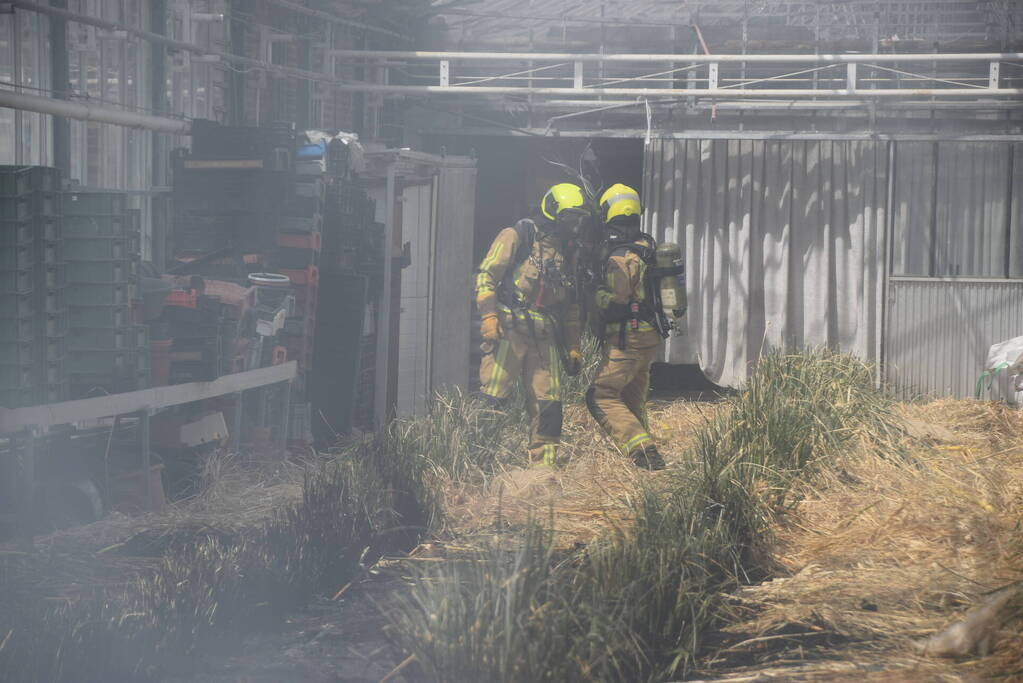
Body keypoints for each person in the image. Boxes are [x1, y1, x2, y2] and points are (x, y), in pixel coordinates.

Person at [475, 183, 587, 467]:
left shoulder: (568, 250)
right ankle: (480, 459)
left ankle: (544, 467)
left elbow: (571, 304)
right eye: (570, 217)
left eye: (577, 218)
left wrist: (573, 345)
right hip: (509, 329)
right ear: (553, 213)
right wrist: (489, 317)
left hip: (546, 334)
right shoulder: (517, 235)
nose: (574, 224)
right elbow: (486, 276)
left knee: (548, 402)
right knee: (495, 394)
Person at [585, 183, 667, 470]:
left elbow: (617, 301)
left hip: (627, 337)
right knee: (632, 395)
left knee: (601, 394)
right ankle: (646, 457)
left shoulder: (621, 257)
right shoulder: (648, 247)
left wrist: (594, 291)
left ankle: (644, 451)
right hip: (649, 335)